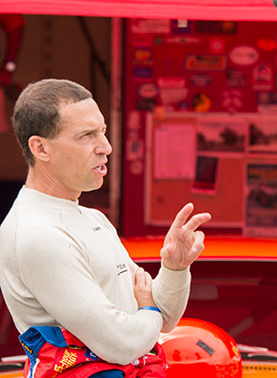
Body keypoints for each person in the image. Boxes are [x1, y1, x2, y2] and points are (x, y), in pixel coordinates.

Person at [0, 78, 211, 367]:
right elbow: (122, 345)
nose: (107, 147)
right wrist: (147, 308)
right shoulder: (36, 233)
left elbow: (165, 318)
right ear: (40, 148)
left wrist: (174, 268)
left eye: (103, 131)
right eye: (86, 135)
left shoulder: (92, 218)